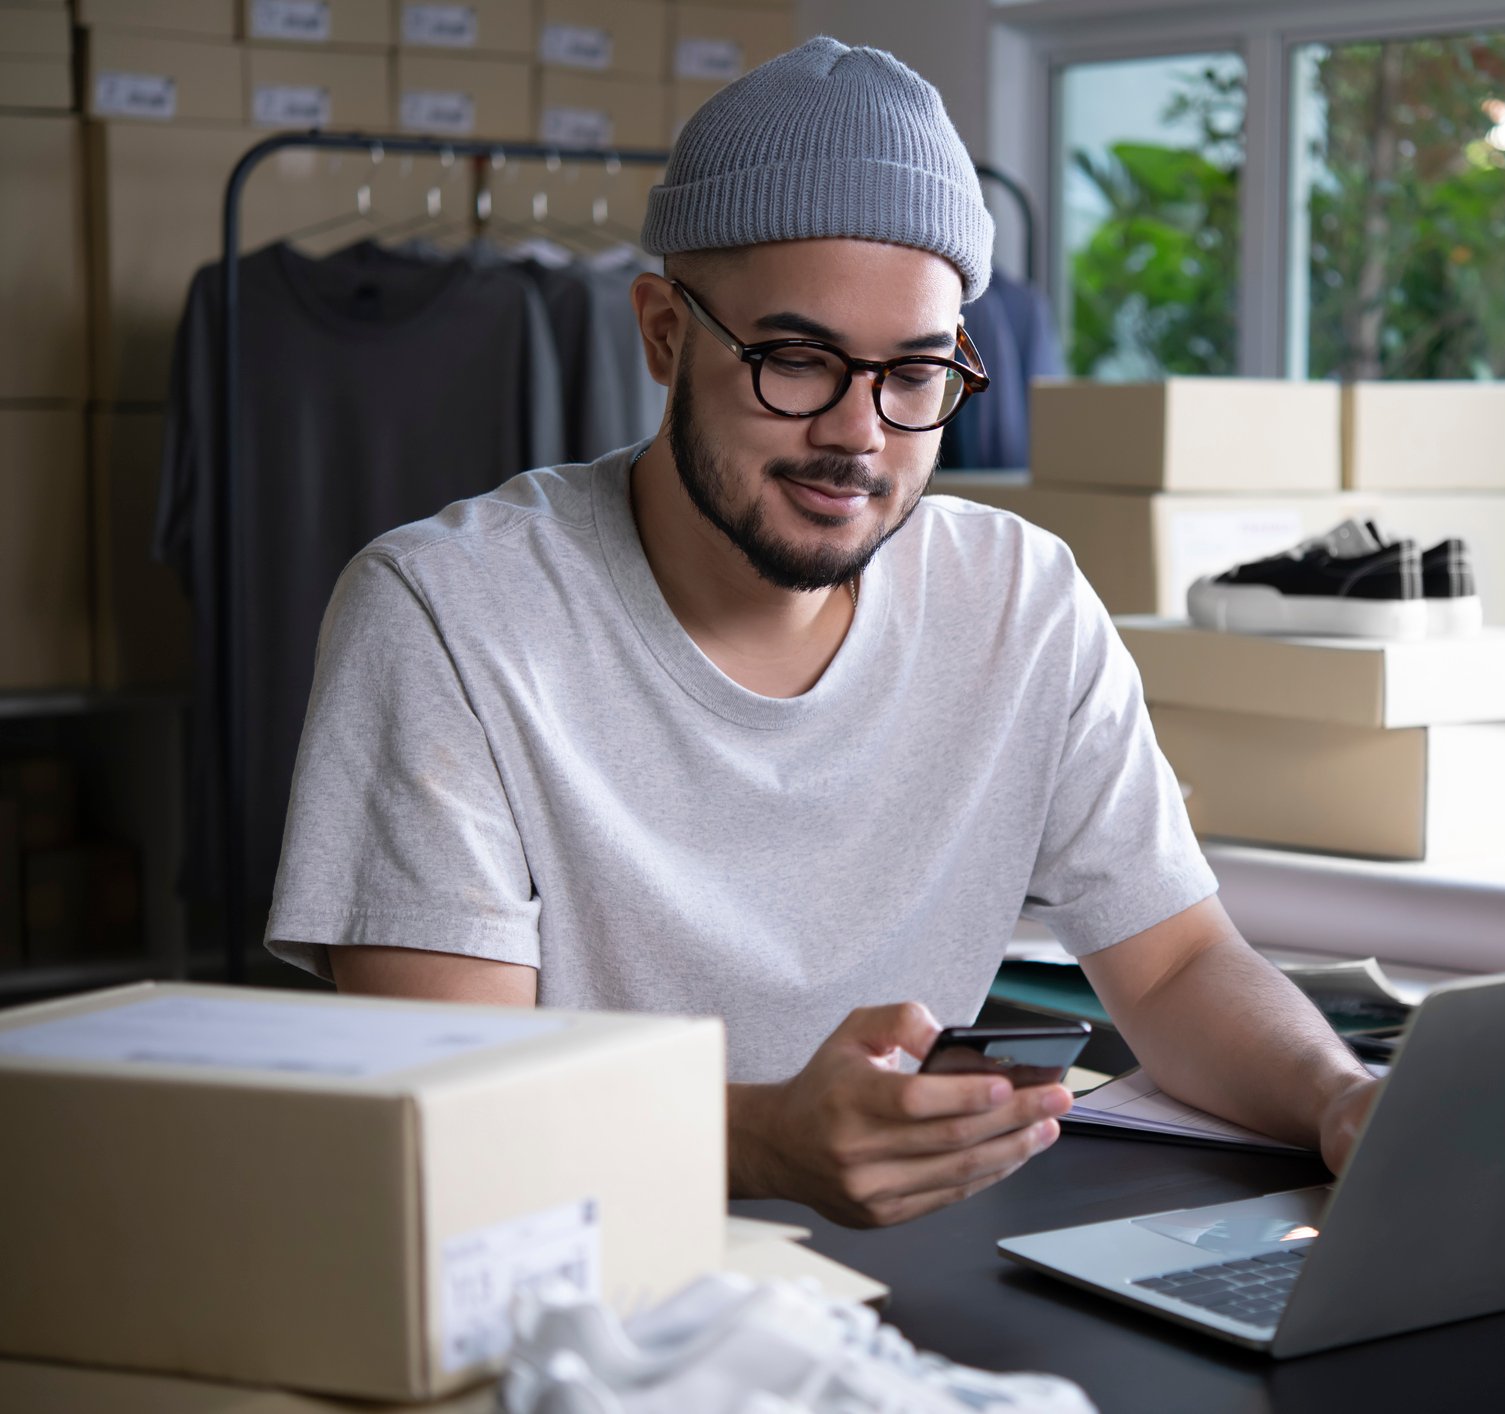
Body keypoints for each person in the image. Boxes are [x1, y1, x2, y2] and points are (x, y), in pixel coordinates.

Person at [267, 37, 1379, 1229]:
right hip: (577, 1295)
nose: (858, 434)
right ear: (661, 333)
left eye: (913, 374)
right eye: (796, 361)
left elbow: (1173, 967)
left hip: (913, 1297)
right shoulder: (449, 615)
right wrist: (759, 1140)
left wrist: (1345, 1102)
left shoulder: (1021, 600)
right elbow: (449, 1093)